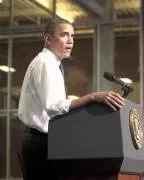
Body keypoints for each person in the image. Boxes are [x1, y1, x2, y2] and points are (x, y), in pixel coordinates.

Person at [18, 18, 125, 180]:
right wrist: (93, 97)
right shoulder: (45, 63)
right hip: (38, 143)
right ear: (48, 39)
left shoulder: (52, 64)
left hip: (47, 141)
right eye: (64, 35)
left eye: (73, 36)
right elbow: (54, 107)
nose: (71, 41)